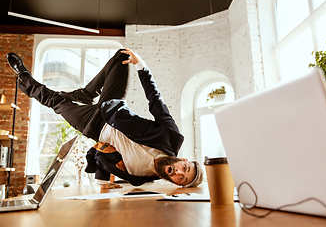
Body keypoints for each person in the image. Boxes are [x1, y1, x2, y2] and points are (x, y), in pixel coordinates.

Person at [6, 49, 203, 187]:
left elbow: (102, 158)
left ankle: (23, 76)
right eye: (184, 168)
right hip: (112, 107)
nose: (178, 173)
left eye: (182, 179)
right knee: (122, 56)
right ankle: (85, 93)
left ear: (178, 185)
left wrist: (102, 181)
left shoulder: (139, 177)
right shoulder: (172, 137)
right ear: (183, 160)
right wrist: (142, 66)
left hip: (91, 126)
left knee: (56, 102)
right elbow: (156, 102)